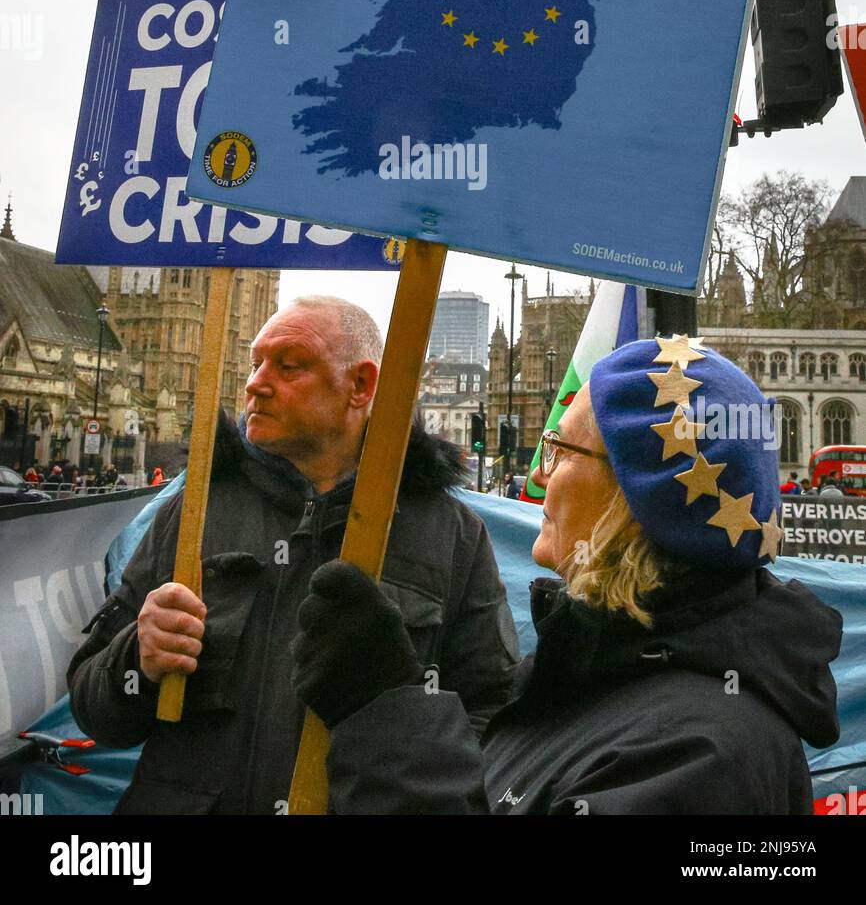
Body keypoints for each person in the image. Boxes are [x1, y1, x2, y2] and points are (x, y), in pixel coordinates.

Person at [292, 336, 843, 815]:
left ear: (629, 501)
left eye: (558, 450)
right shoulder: (589, 679)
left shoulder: (700, 756)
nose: (535, 474)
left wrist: (386, 720)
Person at [67, 296, 518, 815]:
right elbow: (91, 707)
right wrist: (137, 660)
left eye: (289, 365)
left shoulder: (451, 535)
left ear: (361, 386)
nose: (256, 382)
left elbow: (494, 722)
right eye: (257, 362)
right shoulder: (193, 513)